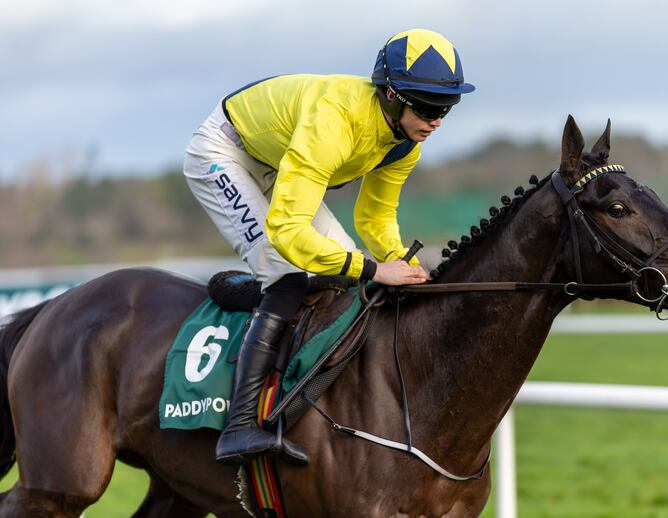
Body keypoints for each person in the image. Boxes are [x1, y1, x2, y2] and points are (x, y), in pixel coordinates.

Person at [183, 29, 475, 467]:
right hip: (225, 152)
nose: (436, 121)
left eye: (446, 109)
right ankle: (240, 426)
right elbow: (288, 230)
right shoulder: (335, 120)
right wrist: (376, 271)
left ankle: (256, 293)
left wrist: (402, 262)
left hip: (279, 161)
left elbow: (374, 218)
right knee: (288, 274)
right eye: (429, 107)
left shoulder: (404, 144)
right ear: (392, 95)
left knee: (339, 275)